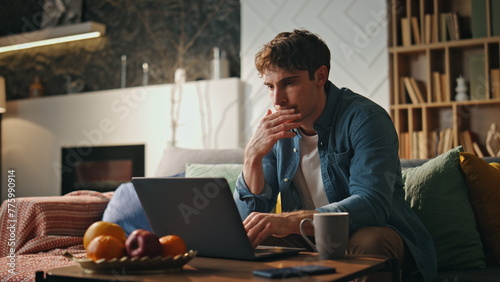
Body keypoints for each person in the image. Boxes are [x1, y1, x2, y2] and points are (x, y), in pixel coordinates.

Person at [233, 29, 437, 281]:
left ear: (320, 76)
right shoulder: (274, 131)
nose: (278, 99)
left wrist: (289, 221)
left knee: (369, 241)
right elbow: (245, 223)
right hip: (308, 237)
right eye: (270, 86)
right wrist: (252, 157)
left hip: (367, 233)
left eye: (289, 83)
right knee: (257, 238)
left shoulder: (365, 119)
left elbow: (371, 205)